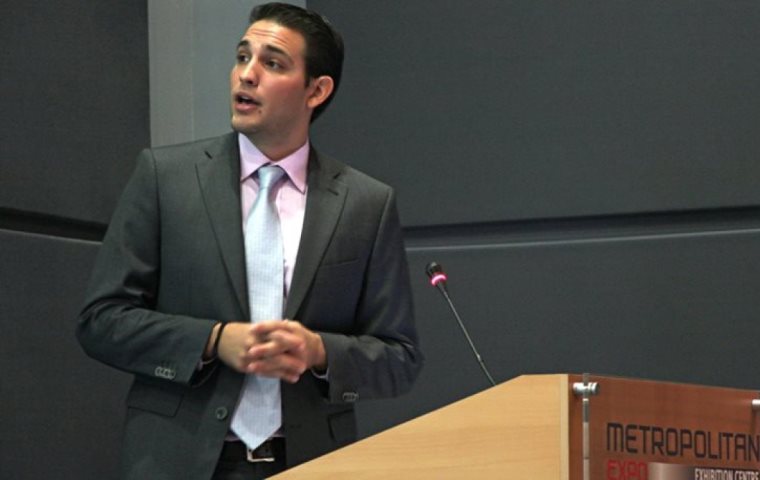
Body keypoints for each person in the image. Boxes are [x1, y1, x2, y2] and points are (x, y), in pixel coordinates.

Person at [76, 3, 423, 479]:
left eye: (272, 63)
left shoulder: (365, 203)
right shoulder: (165, 178)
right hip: (179, 460)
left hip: (309, 462)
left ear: (316, 90)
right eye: (242, 57)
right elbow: (101, 320)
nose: (247, 74)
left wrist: (319, 351)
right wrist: (213, 341)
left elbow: (400, 358)